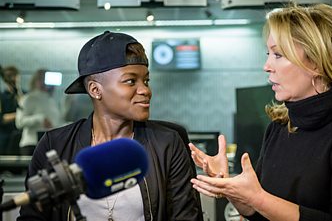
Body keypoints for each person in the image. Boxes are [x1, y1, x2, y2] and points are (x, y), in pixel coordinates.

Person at [189, 4, 332, 221]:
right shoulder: (280, 126)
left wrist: (259, 199)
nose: (266, 66)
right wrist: (231, 186)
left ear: (318, 61)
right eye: (269, 54)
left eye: (278, 54)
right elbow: (259, 212)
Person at [18, 31, 202, 221]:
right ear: (95, 90)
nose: (145, 90)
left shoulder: (167, 144)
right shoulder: (54, 145)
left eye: (146, 80)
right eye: (131, 81)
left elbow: (186, 216)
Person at [15, 69, 64, 155]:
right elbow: (19, 122)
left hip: (50, 145)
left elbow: (56, 123)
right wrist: (40, 119)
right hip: (31, 144)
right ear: (37, 81)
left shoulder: (51, 101)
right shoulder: (28, 98)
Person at [0, 65, 24, 155]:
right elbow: (1, 119)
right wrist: (19, 115)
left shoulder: (24, 95)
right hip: (5, 138)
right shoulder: (2, 96)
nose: (13, 79)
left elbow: (25, 107)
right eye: (10, 76)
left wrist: (18, 90)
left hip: (21, 137)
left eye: (15, 76)